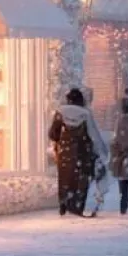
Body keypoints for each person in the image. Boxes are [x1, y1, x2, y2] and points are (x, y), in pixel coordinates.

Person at [48, 87, 97, 217]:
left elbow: (53, 134)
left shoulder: (60, 113)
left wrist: (60, 140)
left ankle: (64, 202)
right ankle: (77, 206)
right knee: (81, 179)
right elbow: (93, 135)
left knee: (65, 178)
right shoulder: (86, 114)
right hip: (83, 152)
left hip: (65, 152)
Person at [81, 85, 112, 217]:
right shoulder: (86, 114)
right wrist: (102, 151)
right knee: (96, 177)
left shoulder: (69, 113)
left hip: (75, 153)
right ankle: (92, 204)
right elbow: (93, 134)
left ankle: (83, 204)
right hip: (87, 152)